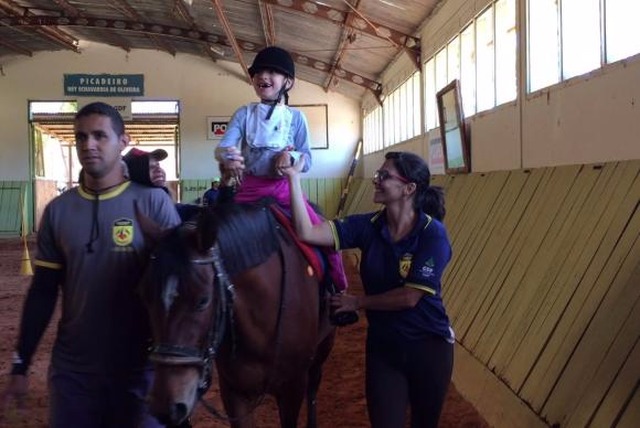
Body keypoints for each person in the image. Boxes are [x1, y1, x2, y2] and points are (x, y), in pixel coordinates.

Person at [0, 102, 181, 428]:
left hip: (140, 371)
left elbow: (179, 290)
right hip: (74, 375)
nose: (89, 145)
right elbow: (43, 291)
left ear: (122, 142)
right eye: (81, 137)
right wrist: (21, 363)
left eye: (100, 136)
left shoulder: (154, 203)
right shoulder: (57, 211)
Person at [284, 151, 455, 428]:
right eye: (378, 174)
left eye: (384, 176)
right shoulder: (367, 226)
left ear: (408, 188)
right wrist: (293, 180)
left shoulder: (431, 233)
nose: (376, 180)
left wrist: (357, 303)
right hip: (384, 349)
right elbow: (308, 232)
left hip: (429, 348)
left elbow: (410, 296)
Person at [214, 46, 355, 324]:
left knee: (324, 237)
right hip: (248, 190)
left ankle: (338, 293)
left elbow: (308, 158)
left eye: (271, 72)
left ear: (287, 82)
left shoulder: (296, 118)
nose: (263, 77)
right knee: (213, 239)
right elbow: (224, 146)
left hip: (283, 191)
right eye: (258, 73)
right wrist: (230, 158)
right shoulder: (243, 114)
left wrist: (290, 157)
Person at [123, 147, 199, 221]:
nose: (159, 169)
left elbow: (176, 209)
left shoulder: (162, 193)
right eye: (149, 167)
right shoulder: (130, 203)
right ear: (133, 172)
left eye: (158, 165)